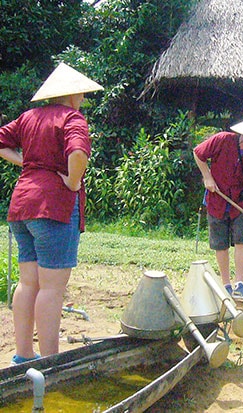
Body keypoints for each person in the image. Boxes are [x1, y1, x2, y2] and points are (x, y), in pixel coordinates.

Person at [0, 63, 103, 365]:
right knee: (52, 288)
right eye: (81, 93)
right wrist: (71, 182)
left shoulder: (29, 117)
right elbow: (79, 154)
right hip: (52, 208)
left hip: (22, 206)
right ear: (71, 95)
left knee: (28, 283)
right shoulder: (73, 118)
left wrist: (28, 164)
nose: (82, 98)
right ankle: (49, 363)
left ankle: (23, 355)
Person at [193, 116, 243, 300]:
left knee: (241, 240)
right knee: (220, 244)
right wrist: (207, 177)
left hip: (239, 203)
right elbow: (198, 153)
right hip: (217, 199)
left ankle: (239, 284)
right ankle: (226, 285)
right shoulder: (222, 139)